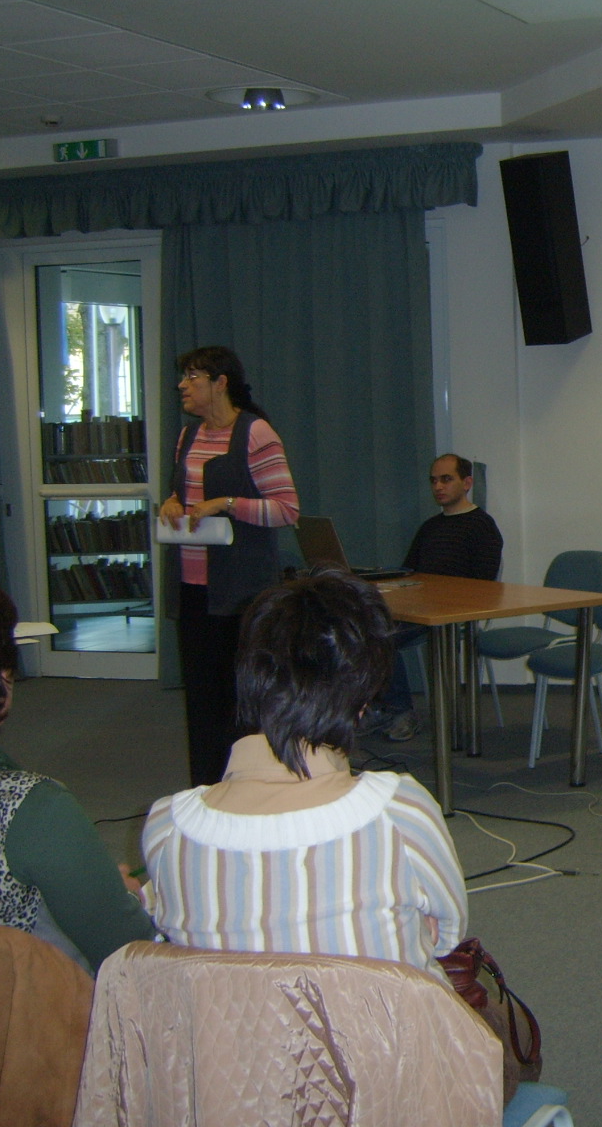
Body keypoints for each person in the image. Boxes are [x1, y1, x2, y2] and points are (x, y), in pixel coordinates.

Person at [140, 568, 468, 975]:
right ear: (363, 698)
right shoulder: (401, 812)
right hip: (378, 1017)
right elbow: (449, 934)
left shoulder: (166, 826)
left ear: (249, 680)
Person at [0, 564, 155, 972]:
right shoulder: (35, 808)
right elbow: (130, 952)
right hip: (16, 1005)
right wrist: (125, 897)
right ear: (0, 678)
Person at [159, 346, 300, 787]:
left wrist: (228, 504)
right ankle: (206, 788)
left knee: (241, 699)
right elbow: (183, 493)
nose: (182, 385)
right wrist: (171, 502)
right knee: (202, 698)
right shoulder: (188, 436)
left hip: (241, 591)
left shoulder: (256, 433)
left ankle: (247, 789)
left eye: (193, 377)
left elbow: (286, 509)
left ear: (221, 383)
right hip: (193, 587)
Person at [368, 454, 503, 740]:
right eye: (433, 481)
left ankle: (400, 712)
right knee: (358, 630)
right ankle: (375, 708)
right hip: (420, 608)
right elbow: (408, 571)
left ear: (467, 483)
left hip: (453, 613)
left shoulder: (482, 526)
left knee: (379, 637)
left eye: (446, 479)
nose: (438, 487)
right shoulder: (430, 527)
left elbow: (483, 585)